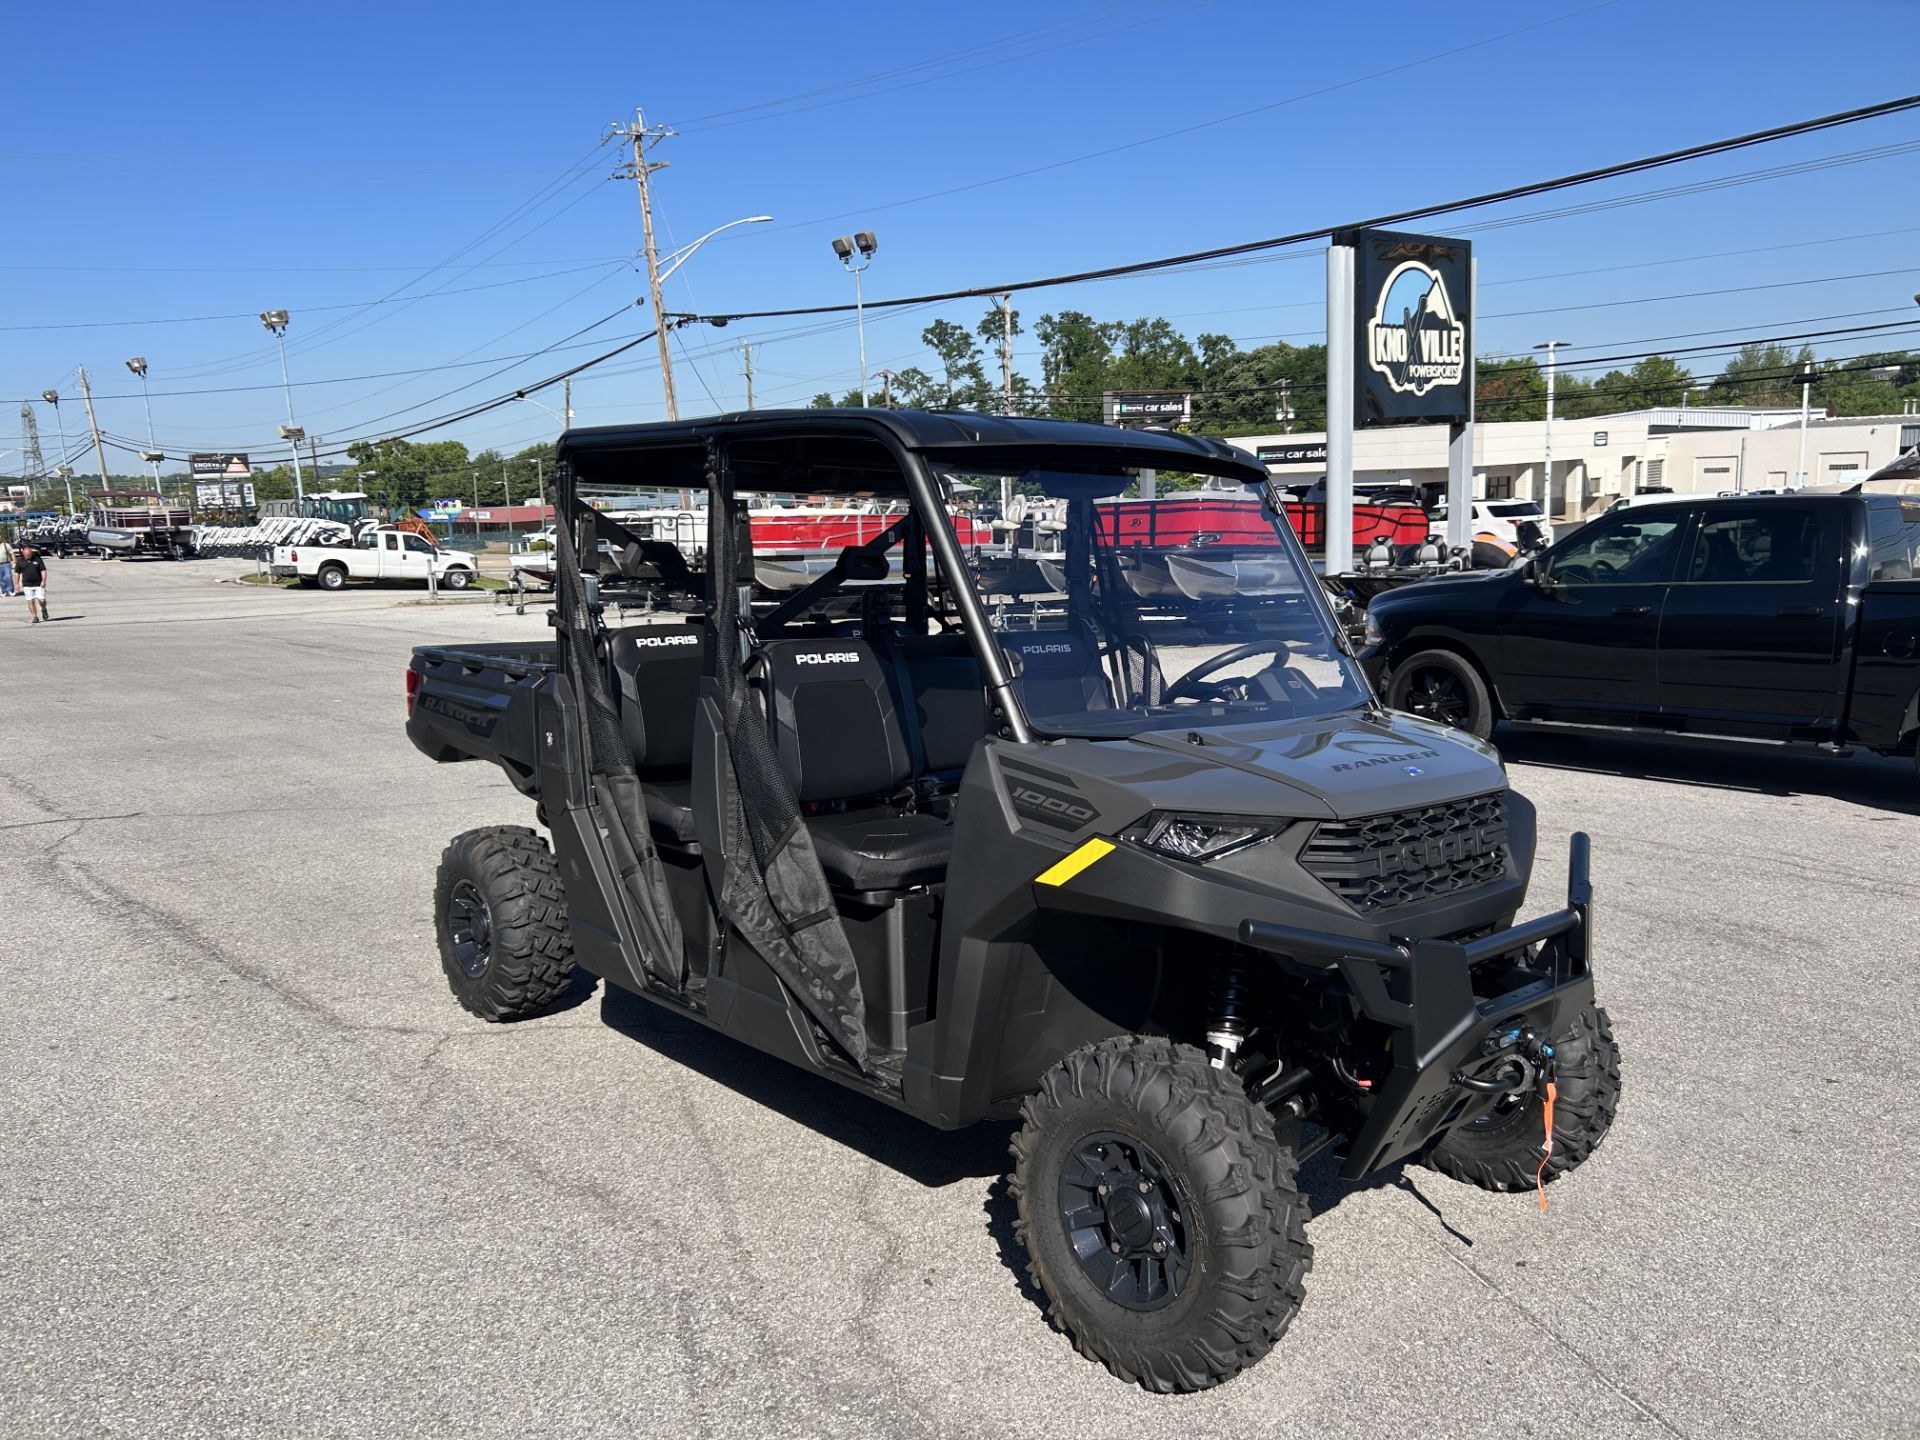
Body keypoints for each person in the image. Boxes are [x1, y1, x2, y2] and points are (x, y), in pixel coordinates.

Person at [18, 544, 48, 623]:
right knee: (30, 601)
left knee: (42, 600)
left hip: (38, 584)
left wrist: (43, 581)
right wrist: (16, 584)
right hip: (27, 584)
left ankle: (43, 609)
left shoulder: (37, 559)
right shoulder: (20, 561)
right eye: (27, 555)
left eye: (30, 554)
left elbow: (43, 570)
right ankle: (35, 617)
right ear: (23, 554)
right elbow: (16, 573)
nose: (29, 556)